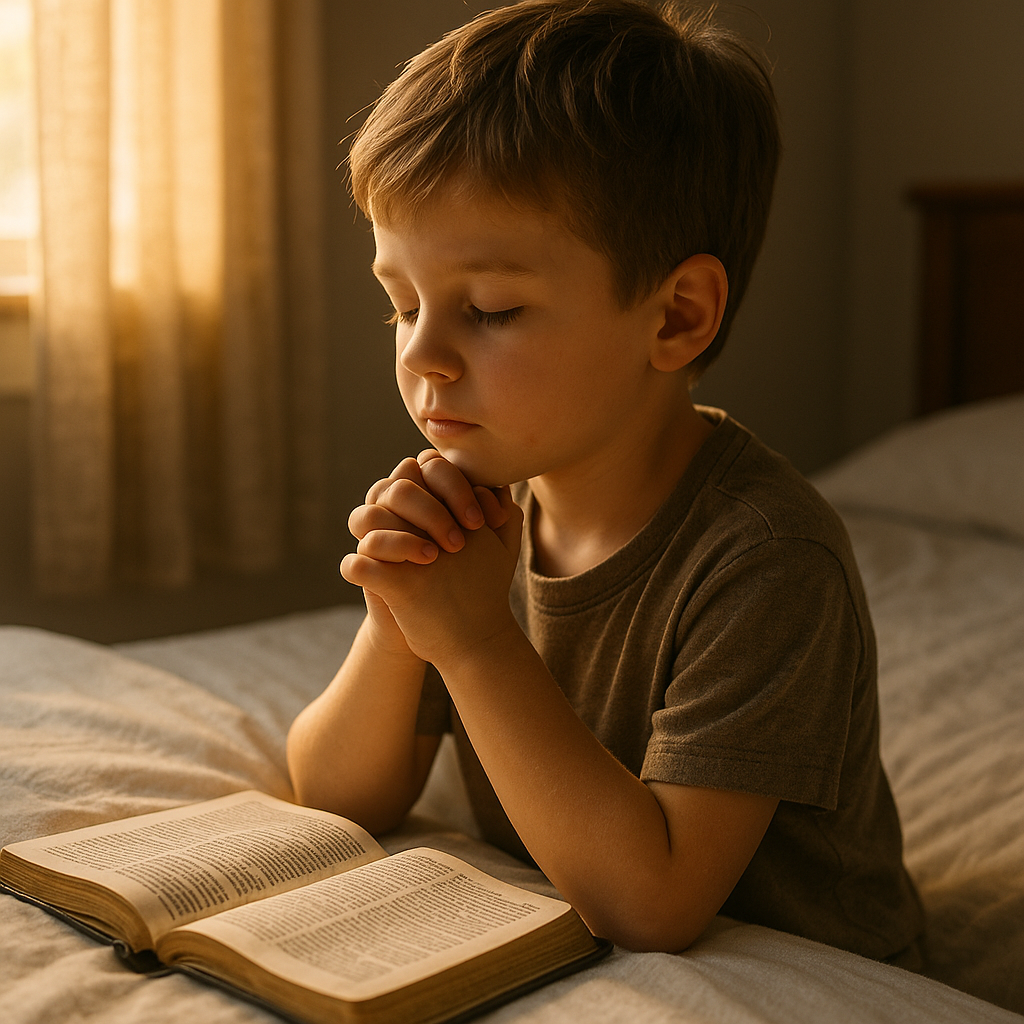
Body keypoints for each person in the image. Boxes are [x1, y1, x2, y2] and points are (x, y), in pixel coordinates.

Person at [287, 0, 924, 962]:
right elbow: (336, 795)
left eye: (492, 310)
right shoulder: (491, 497)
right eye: (402, 303)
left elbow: (654, 906)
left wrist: (470, 639)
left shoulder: (767, 559)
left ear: (676, 317)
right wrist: (399, 621)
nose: (423, 355)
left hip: (794, 963)